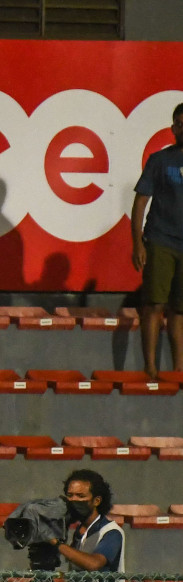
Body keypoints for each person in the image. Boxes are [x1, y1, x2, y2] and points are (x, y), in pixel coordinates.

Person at [132, 102, 183, 378]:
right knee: (153, 306)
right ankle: (150, 368)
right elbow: (140, 202)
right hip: (161, 241)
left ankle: (178, 370)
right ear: (173, 128)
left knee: (180, 311)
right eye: (181, 124)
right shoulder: (160, 161)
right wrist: (138, 242)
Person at [50, 469, 125, 582]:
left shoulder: (111, 532)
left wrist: (56, 544)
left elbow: (94, 564)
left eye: (80, 496)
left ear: (96, 500)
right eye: (70, 495)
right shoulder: (79, 532)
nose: (74, 500)